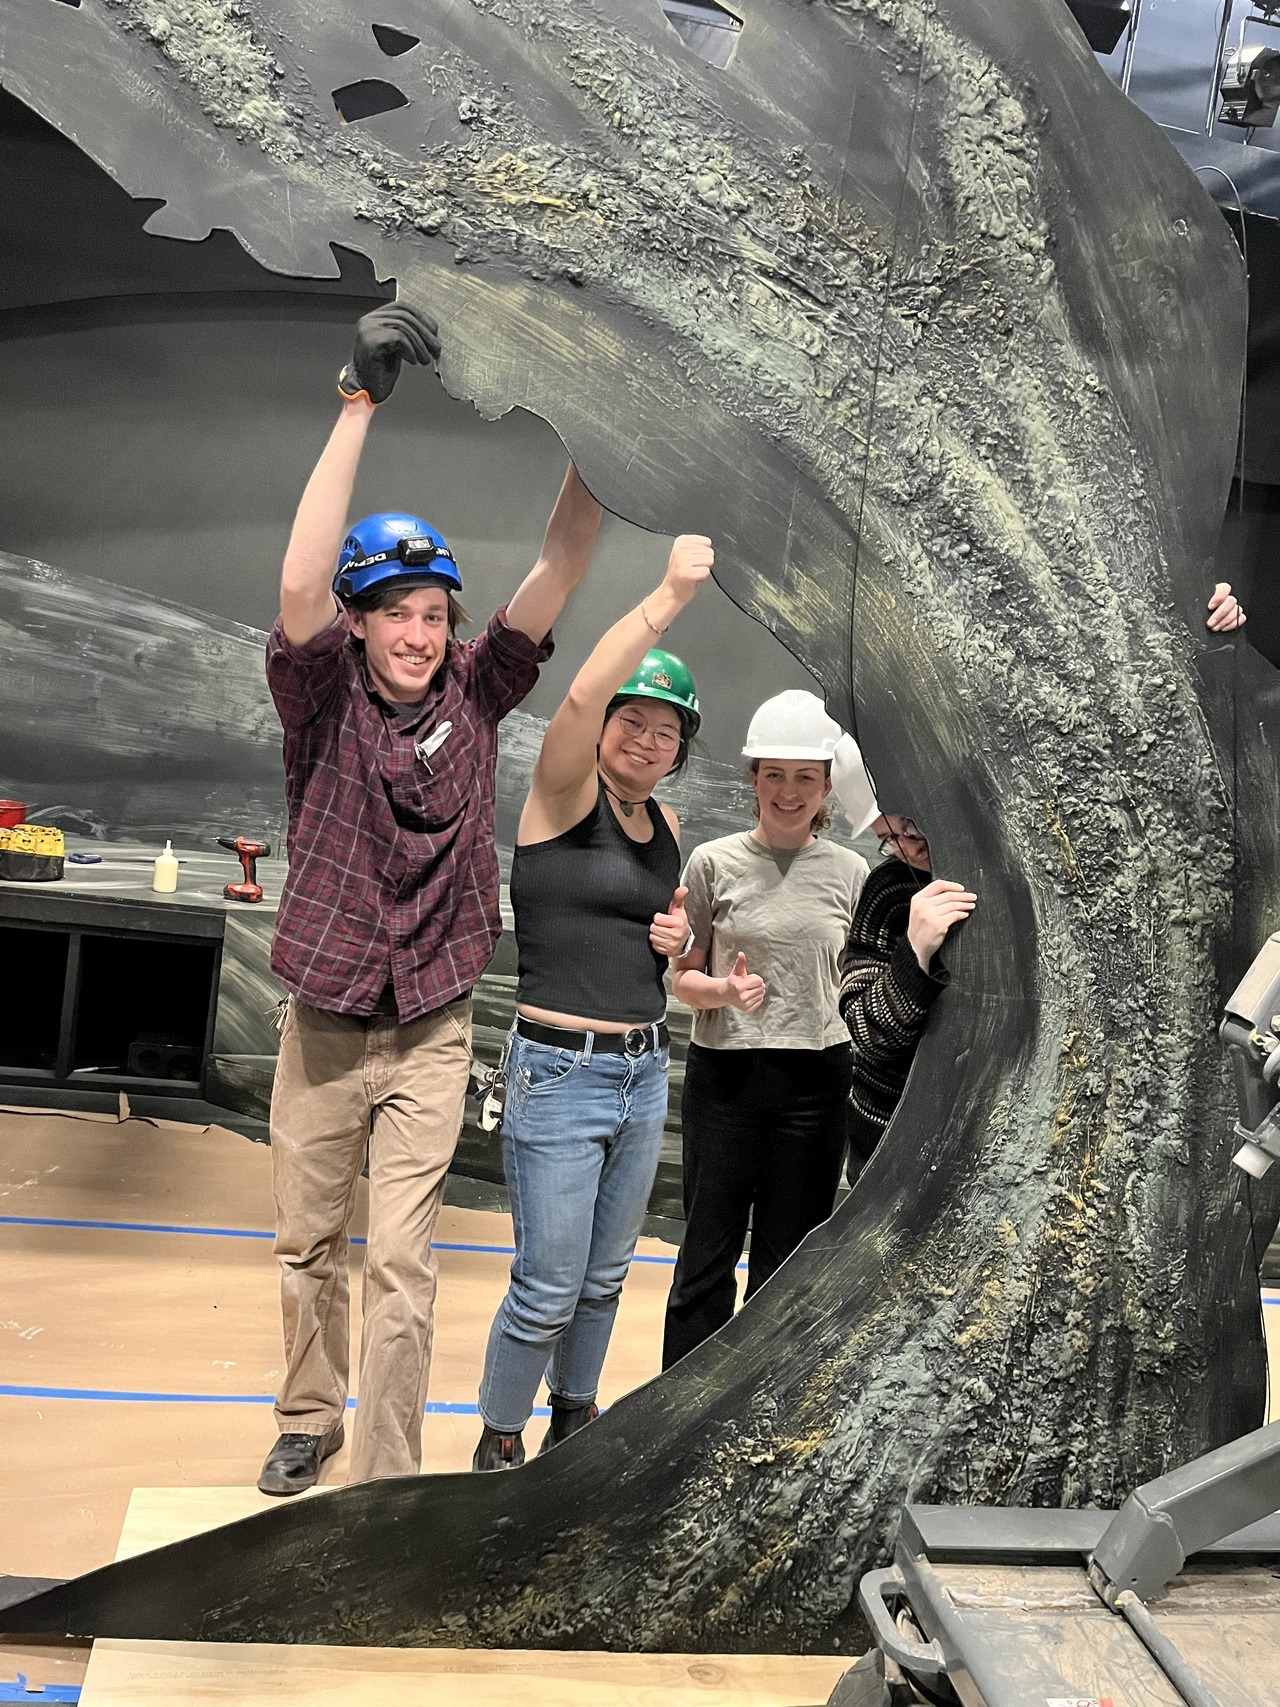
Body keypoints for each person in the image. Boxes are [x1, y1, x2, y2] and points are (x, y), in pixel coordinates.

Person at [258, 303, 604, 1495]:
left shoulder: (478, 689)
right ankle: (309, 1414)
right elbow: (302, 573)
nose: (417, 631)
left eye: (431, 611)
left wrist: (601, 434)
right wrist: (357, 403)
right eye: (394, 612)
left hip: (430, 1031)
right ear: (358, 626)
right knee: (309, 1243)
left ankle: (391, 1481)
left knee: (404, 1259)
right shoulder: (320, 699)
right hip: (324, 1020)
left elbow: (559, 562)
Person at [837, 579, 1245, 1181]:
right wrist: (914, 952)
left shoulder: (1030, 867)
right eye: (891, 835)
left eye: (915, 825)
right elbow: (868, 1036)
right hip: (898, 1148)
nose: (908, 842)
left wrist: (1211, 638)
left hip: (1002, 1149)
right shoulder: (892, 890)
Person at [473, 535, 712, 1469]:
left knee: (606, 1278)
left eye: (668, 730)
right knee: (545, 1283)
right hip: (557, 1073)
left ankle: (575, 1424)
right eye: (635, 720)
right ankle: (500, 1445)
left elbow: (656, 943)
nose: (648, 740)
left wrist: (675, 944)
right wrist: (664, 599)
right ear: (607, 723)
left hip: (642, 1071)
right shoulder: (564, 794)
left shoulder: (668, 824)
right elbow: (571, 697)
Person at [660, 691, 870, 1370]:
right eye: (773, 774)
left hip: (817, 1085)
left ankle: (764, 1418)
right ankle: (679, 1416)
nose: (788, 791)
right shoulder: (713, 863)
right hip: (726, 1079)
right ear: (752, 779)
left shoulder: (853, 873)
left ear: (827, 784)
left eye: (805, 776)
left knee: (787, 1266)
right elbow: (683, 979)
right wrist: (724, 990)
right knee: (704, 1260)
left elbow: (862, 985)